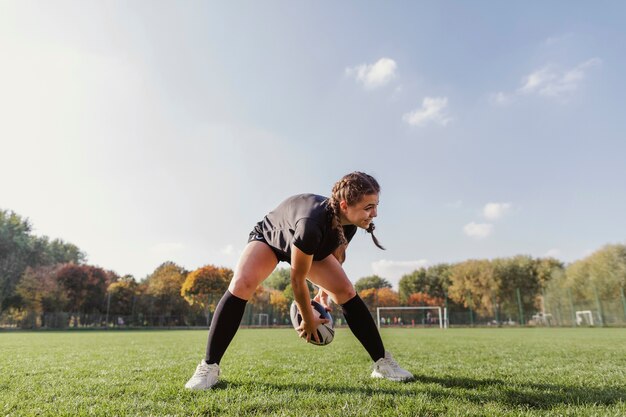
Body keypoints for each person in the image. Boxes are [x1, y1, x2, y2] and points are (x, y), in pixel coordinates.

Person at [185, 172, 413, 390]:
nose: (374, 214)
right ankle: (209, 367)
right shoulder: (311, 224)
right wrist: (307, 319)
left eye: (375, 206)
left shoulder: (350, 223)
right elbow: (297, 279)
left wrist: (324, 292)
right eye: (368, 208)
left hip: (305, 245)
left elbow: (336, 255)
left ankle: (382, 364)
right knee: (241, 284)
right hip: (272, 238)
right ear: (345, 206)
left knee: (345, 290)